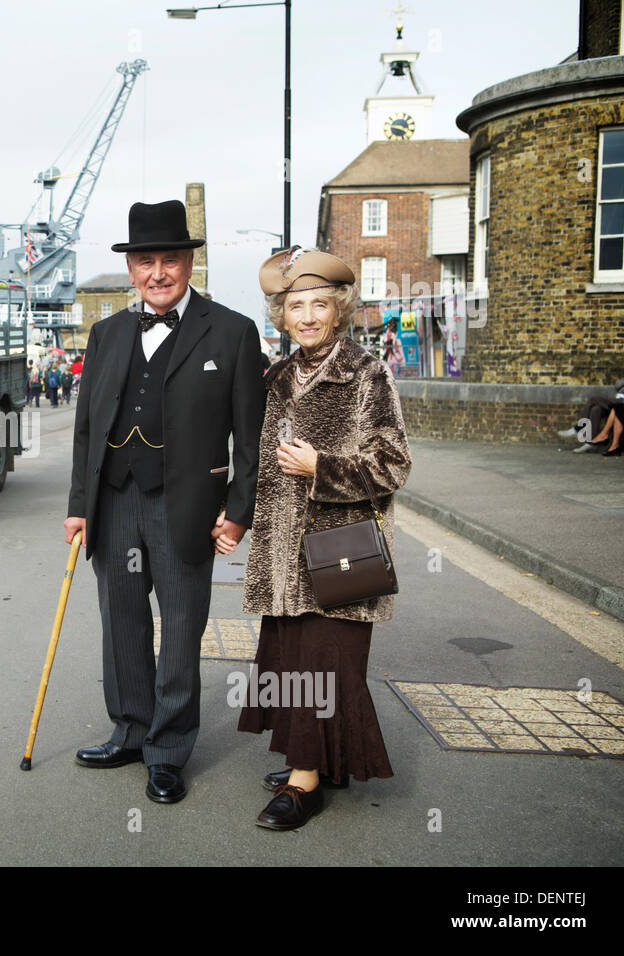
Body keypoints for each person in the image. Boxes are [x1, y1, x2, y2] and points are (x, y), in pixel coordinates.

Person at [64, 199, 264, 804]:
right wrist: (80, 504)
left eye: (169, 260)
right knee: (121, 623)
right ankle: (130, 729)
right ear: (130, 269)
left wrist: (238, 511)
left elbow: (249, 437)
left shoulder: (232, 332)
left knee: (180, 630)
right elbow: (84, 429)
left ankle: (169, 750)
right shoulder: (106, 333)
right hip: (115, 501)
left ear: (188, 264)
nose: (157, 273)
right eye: (145, 261)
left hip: (187, 506)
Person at [237, 246, 412, 830]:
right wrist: (231, 516)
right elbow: (259, 466)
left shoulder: (366, 372)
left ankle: (304, 782)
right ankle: (310, 760)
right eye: (295, 306)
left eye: (319, 305)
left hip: (342, 549)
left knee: (326, 662)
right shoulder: (278, 377)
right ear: (281, 316)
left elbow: (393, 464)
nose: (307, 316)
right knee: (290, 659)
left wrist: (324, 468)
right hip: (281, 549)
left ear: (339, 311)